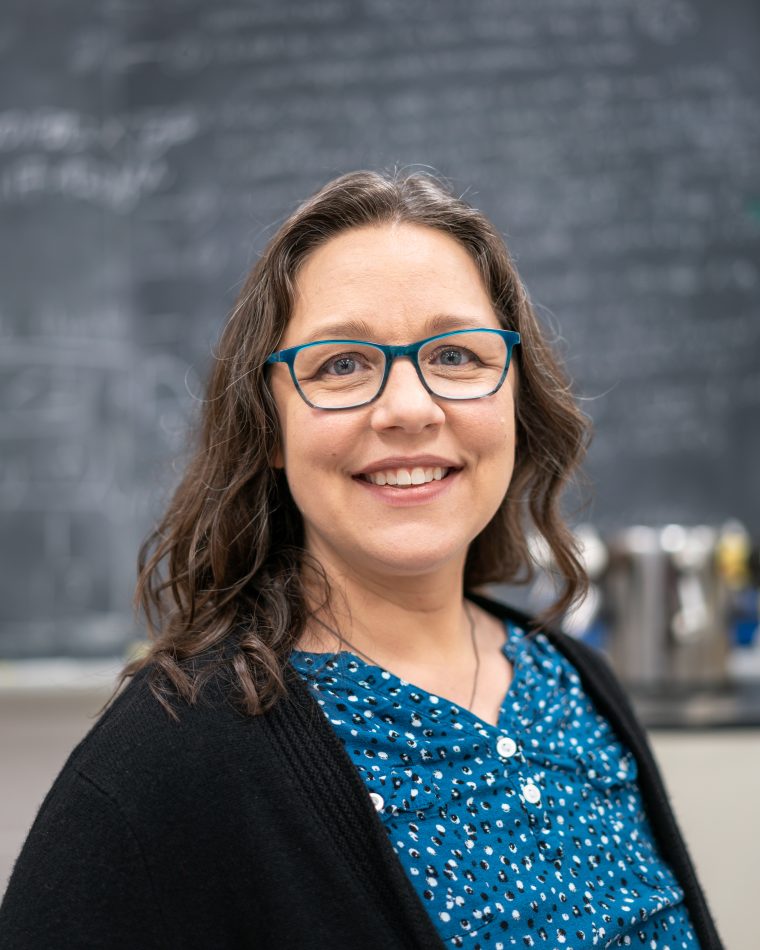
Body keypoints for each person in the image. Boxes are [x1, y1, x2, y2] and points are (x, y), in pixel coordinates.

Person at [0, 170, 722, 949]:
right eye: (341, 364)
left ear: (515, 397)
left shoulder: (579, 685)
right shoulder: (167, 758)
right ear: (269, 429)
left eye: (454, 354)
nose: (410, 408)